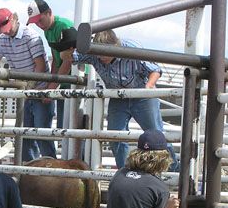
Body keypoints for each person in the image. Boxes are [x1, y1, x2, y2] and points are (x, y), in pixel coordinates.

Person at [58, 28, 180, 171]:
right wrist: (69, 46)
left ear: (115, 47)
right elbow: (68, 57)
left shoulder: (131, 49)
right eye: (99, 54)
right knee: (116, 136)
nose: (101, 58)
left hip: (141, 95)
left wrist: (149, 85)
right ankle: (125, 171)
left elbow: (155, 69)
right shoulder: (93, 53)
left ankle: (173, 171)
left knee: (156, 134)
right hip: (118, 96)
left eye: (105, 54)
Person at [0, 7, 56, 162]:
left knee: (41, 133)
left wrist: (26, 88)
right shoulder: (3, 39)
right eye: (3, 30)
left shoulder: (30, 36)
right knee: (24, 135)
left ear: (14, 19)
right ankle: (30, 170)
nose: (6, 32)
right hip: (25, 92)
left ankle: (49, 168)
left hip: (37, 90)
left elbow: (40, 66)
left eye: (7, 28)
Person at [27, 0, 74, 130]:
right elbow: (56, 59)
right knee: (65, 128)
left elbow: (68, 60)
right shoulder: (48, 30)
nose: (39, 25)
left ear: (49, 12)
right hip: (66, 82)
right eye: (35, 22)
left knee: (71, 128)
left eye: (40, 20)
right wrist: (50, 85)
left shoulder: (63, 26)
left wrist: (51, 87)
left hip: (76, 81)